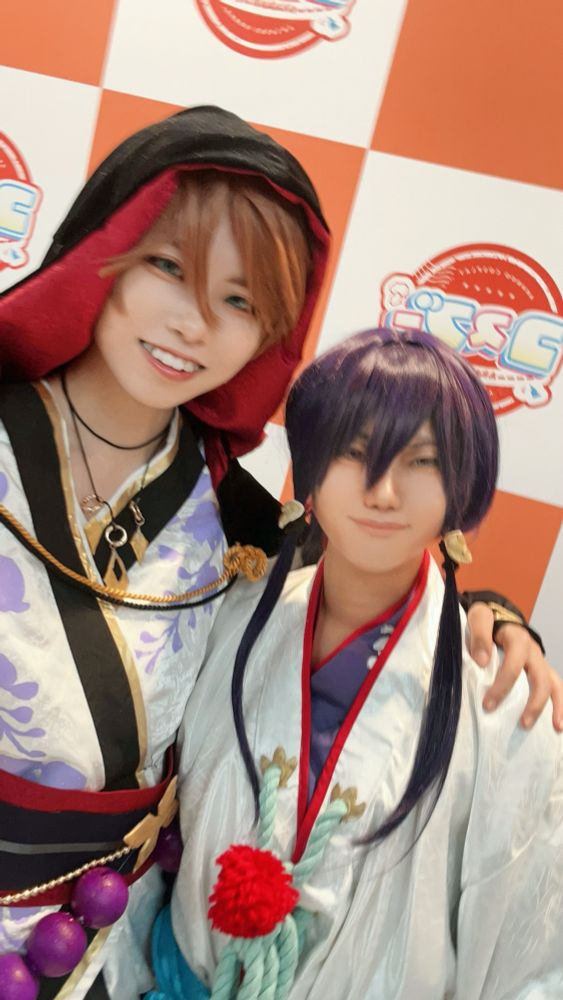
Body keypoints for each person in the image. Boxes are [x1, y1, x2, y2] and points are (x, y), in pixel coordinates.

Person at [0, 105, 556, 1000]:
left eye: (240, 301)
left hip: (98, 945)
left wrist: (492, 616)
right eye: (168, 267)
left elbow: (371, 577)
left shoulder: (240, 527)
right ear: (100, 250)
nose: (193, 325)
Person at [156, 329, 562, 999]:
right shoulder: (232, 615)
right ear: (310, 464)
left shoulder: (504, 701)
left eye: (422, 460)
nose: (382, 491)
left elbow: (527, 954)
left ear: (462, 486)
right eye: (352, 451)